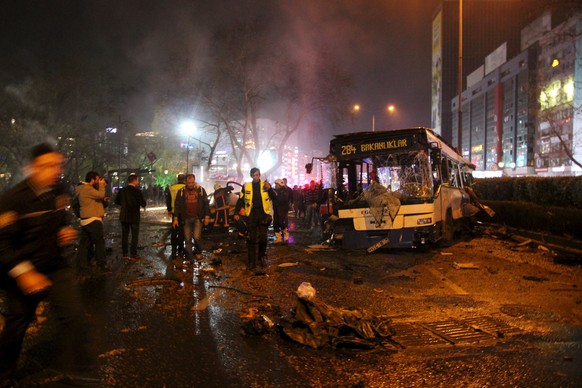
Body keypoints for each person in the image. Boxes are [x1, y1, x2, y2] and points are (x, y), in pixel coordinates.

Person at [0, 143, 98, 384]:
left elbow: (62, 217)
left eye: (57, 165)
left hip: (55, 266)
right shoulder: (13, 199)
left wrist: (64, 230)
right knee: (17, 325)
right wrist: (24, 273)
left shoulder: (58, 191)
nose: (53, 170)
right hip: (21, 271)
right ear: (31, 168)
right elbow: (2, 243)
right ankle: (4, 373)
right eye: (47, 166)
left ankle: (74, 369)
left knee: (74, 316)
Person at [234, 167, 276, 271]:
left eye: (257, 174)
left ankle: (261, 257)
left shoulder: (265, 185)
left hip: (263, 214)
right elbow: (241, 200)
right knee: (251, 239)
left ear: (260, 175)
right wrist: (236, 212)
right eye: (254, 175)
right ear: (251, 175)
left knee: (263, 237)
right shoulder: (246, 186)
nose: (256, 177)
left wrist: (269, 188)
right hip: (251, 215)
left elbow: (274, 197)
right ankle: (251, 261)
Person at [173, 174, 211, 262]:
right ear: (186, 182)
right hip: (186, 218)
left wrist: (206, 216)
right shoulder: (181, 191)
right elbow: (177, 205)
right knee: (187, 239)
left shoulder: (200, 190)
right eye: (189, 183)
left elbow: (206, 204)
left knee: (196, 237)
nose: (191, 184)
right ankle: (190, 259)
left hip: (198, 217)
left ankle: (198, 251)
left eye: (192, 182)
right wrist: (175, 219)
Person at [76, 170, 108, 271]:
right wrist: (102, 185)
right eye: (97, 179)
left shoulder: (84, 188)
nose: (99, 181)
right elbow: (100, 195)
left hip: (86, 219)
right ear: (92, 179)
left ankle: (82, 264)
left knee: (84, 243)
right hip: (92, 219)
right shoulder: (86, 188)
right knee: (99, 242)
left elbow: (98, 198)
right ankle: (101, 264)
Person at [114, 173, 147, 260]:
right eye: (137, 180)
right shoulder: (137, 191)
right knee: (134, 236)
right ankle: (133, 254)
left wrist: (124, 204)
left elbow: (116, 201)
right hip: (134, 216)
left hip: (124, 216)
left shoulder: (122, 191)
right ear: (135, 180)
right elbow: (143, 203)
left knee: (125, 235)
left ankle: (125, 254)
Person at [164, 173, 186, 257]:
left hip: (174, 211)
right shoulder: (186, 188)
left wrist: (169, 210)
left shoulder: (172, 188)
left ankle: (174, 248)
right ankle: (181, 248)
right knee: (182, 230)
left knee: (174, 229)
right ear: (184, 179)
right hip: (184, 212)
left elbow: (168, 200)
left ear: (177, 179)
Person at [273, 179, 291, 243]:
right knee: (275, 224)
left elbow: (281, 199)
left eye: (276, 184)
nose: (275, 186)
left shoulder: (285, 191)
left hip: (282, 210)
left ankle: (286, 233)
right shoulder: (275, 191)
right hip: (276, 209)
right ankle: (278, 238)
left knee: (281, 222)